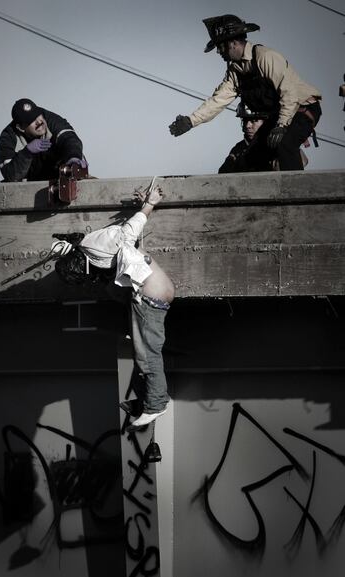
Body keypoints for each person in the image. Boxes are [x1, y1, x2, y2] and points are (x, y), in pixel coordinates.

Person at [51, 181, 174, 430]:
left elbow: (127, 231)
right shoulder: (90, 249)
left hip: (151, 296)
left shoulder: (96, 245)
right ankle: (144, 402)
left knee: (147, 355)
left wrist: (148, 205)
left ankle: (157, 404)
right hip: (146, 294)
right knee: (137, 350)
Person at [169, 15, 322, 171]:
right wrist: (190, 121)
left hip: (302, 109)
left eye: (221, 47)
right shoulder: (235, 72)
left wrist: (282, 125)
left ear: (234, 43)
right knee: (250, 157)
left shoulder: (266, 57)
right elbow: (218, 101)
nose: (219, 52)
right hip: (280, 117)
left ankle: (297, 191)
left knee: (284, 144)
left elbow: (289, 93)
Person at [0, 98, 86, 182]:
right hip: (31, 185)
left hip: (61, 177)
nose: (39, 122)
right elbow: (10, 175)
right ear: (21, 128)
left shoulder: (51, 119)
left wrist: (74, 157)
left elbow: (70, 139)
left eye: (37, 114)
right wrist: (27, 153)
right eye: (30, 120)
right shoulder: (8, 136)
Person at [218, 103, 273, 173]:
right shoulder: (239, 148)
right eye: (245, 121)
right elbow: (223, 174)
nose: (247, 126)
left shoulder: (275, 147)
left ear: (265, 123)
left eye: (253, 121)